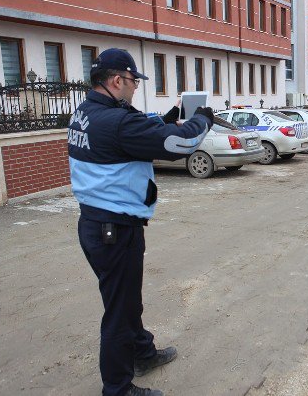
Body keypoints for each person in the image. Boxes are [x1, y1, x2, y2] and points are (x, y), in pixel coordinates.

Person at [68, 48, 214, 396]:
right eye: (134, 81)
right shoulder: (116, 123)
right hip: (113, 231)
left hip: (99, 225)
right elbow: (182, 143)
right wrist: (202, 119)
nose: (135, 88)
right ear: (117, 80)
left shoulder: (86, 113)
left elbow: (137, 131)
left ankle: (143, 353)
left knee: (127, 302)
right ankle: (117, 389)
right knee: (119, 312)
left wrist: (168, 117)